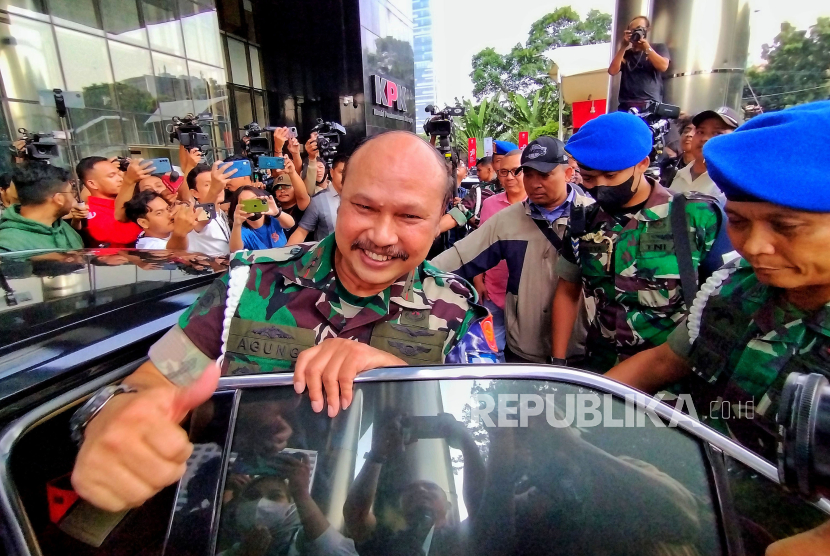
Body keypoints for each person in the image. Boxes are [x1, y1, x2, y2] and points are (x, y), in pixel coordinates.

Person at [69, 131, 497, 512]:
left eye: (409, 217)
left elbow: (493, 421)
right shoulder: (249, 280)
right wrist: (117, 413)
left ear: (442, 216)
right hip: (241, 507)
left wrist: (398, 377)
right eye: (364, 207)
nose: (382, 236)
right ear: (339, 195)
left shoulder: (455, 310)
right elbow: (155, 382)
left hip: (382, 513)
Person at [606, 100, 830, 461]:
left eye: (785, 226)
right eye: (739, 222)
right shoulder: (733, 288)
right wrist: (572, 411)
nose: (754, 247)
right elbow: (665, 362)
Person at [551, 112, 723, 372]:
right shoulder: (583, 221)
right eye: (589, 178)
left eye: (610, 177)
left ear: (642, 164)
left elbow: (723, 300)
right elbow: (567, 290)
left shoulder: (696, 216)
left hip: (670, 372)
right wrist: (559, 361)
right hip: (603, 367)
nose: (600, 187)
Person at [433, 139, 593, 364]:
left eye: (544, 175)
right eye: (528, 174)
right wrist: (407, 276)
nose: (535, 183)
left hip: (582, 348)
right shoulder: (507, 221)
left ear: (568, 173)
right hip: (524, 348)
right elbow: (459, 257)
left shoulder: (594, 216)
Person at [344, 413, 483, 556]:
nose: (421, 490)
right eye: (410, 492)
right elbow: (356, 515)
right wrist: (377, 454)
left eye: (431, 488)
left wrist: (467, 443)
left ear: (449, 505)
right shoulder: (386, 540)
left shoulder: (464, 537)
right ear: (401, 506)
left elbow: (482, 506)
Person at [0, 163, 84, 253]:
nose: (73, 199)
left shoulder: (64, 228)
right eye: (71, 192)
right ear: (59, 199)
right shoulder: (9, 245)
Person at [440, 141, 517, 233]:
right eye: (498, 161)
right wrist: (432, 231)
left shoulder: (531, 194)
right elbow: (458, 213)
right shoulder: (480, 190)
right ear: (492, 165)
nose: (504, 166)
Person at [668, 107, 740, 204]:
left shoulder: (735, 183)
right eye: (700, 132)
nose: (705, 138)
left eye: (717, 133)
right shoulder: (678, 174)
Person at [76, 156, 142, 248]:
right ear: (92, 184)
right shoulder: (91, 212)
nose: (120, 179)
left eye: (119, 174)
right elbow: (126, 237)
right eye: (111, 176)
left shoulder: (125, 198)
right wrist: (129, 182)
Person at [608, 15, 671, 112]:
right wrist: (623, 46)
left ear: (647, 30)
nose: (636, 32)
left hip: (650, 104)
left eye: (639, 29)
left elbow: (663, 66)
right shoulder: (626, 54)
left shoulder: (658, 48)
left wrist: (646, 47)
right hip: (626, 105)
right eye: (633, 30)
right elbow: (612, 71)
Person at [288, 154, 347, 245]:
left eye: (349, 173)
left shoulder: (361, 199)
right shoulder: (319, 200)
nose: (345, 177)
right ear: (331, 172)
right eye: (341, 172)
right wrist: (286, 253)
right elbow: (302, 232)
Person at [185, 161, 236, 255]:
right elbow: (205, 216)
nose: (218, 188)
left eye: (216, 183)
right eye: (208, 184)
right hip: (209, 269)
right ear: (195, 193)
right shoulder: (194, 215)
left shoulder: (221, 212)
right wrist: (214, 189)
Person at [229, 186, 295, 251]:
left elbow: (291, 224)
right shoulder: (242, 231)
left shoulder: (273, 219)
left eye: (255, 200)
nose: (253, 205)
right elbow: (235, 250)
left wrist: (277, 213)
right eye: (246, 203)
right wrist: (237, 224)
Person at [125, 190, 196, 250]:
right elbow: (172, 254)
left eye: (168, 209)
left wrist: (185, 206)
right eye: (159, 213)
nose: (169, 215)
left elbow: (204, 217)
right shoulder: (148, 247)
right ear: (144, 223)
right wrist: (180, 233)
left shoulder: (166, 230)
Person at [271, 154, 312, 237]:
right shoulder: (272, 209)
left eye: (287, 186)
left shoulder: (301, 206)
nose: (282, 190)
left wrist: (292, 172)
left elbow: (302, 196)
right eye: (278, 187)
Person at [658, 117, 694, 188]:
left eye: (697, 132)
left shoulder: (707, 170)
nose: (689, 134)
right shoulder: (667, 164)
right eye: (686, 131)